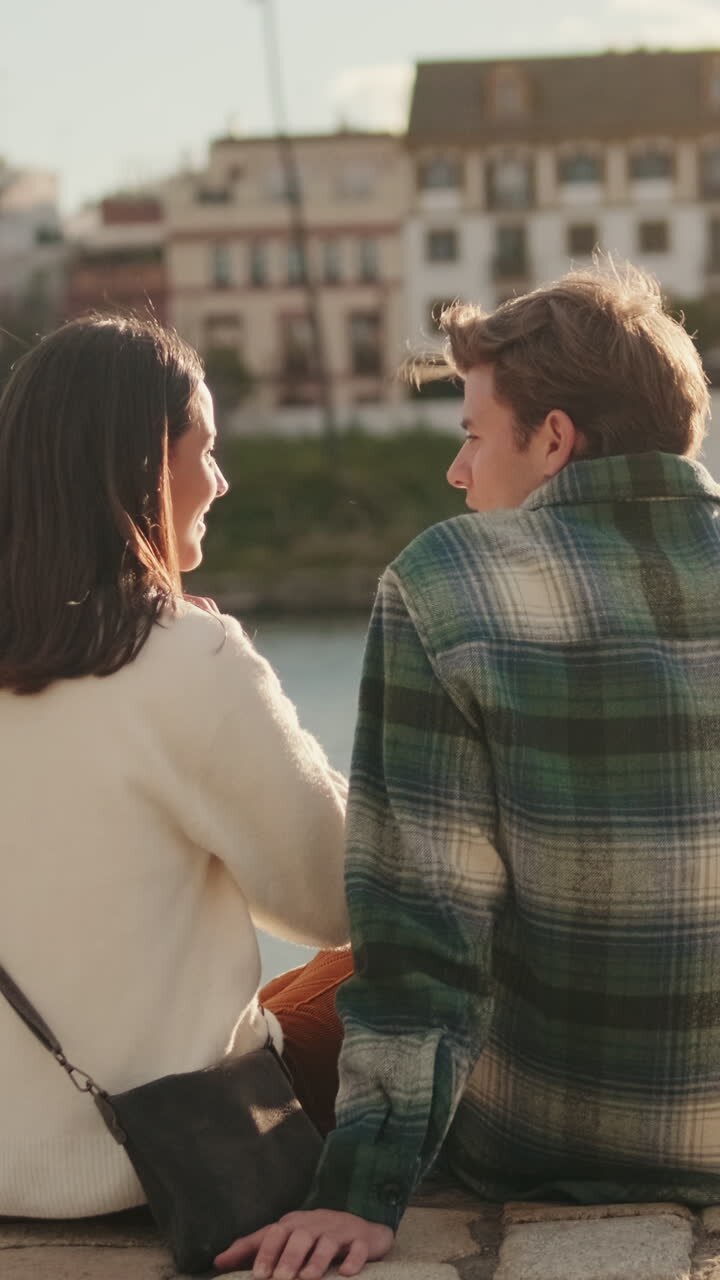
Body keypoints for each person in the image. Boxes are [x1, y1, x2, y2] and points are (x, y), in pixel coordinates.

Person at [216, 261, 720, 1280]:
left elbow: (425, 936)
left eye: (473, 434)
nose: (459, 471)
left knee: (310, 993)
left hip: (540, 1138)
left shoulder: (449, 584)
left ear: (554, 439)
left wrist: (359, 1194)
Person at [0, 313, 349, 1220]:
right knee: (381, 965)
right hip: (160, 1157)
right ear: (148, 462)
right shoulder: (183, 656)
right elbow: (329, 901)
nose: (222, 482)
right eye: (207, 450)